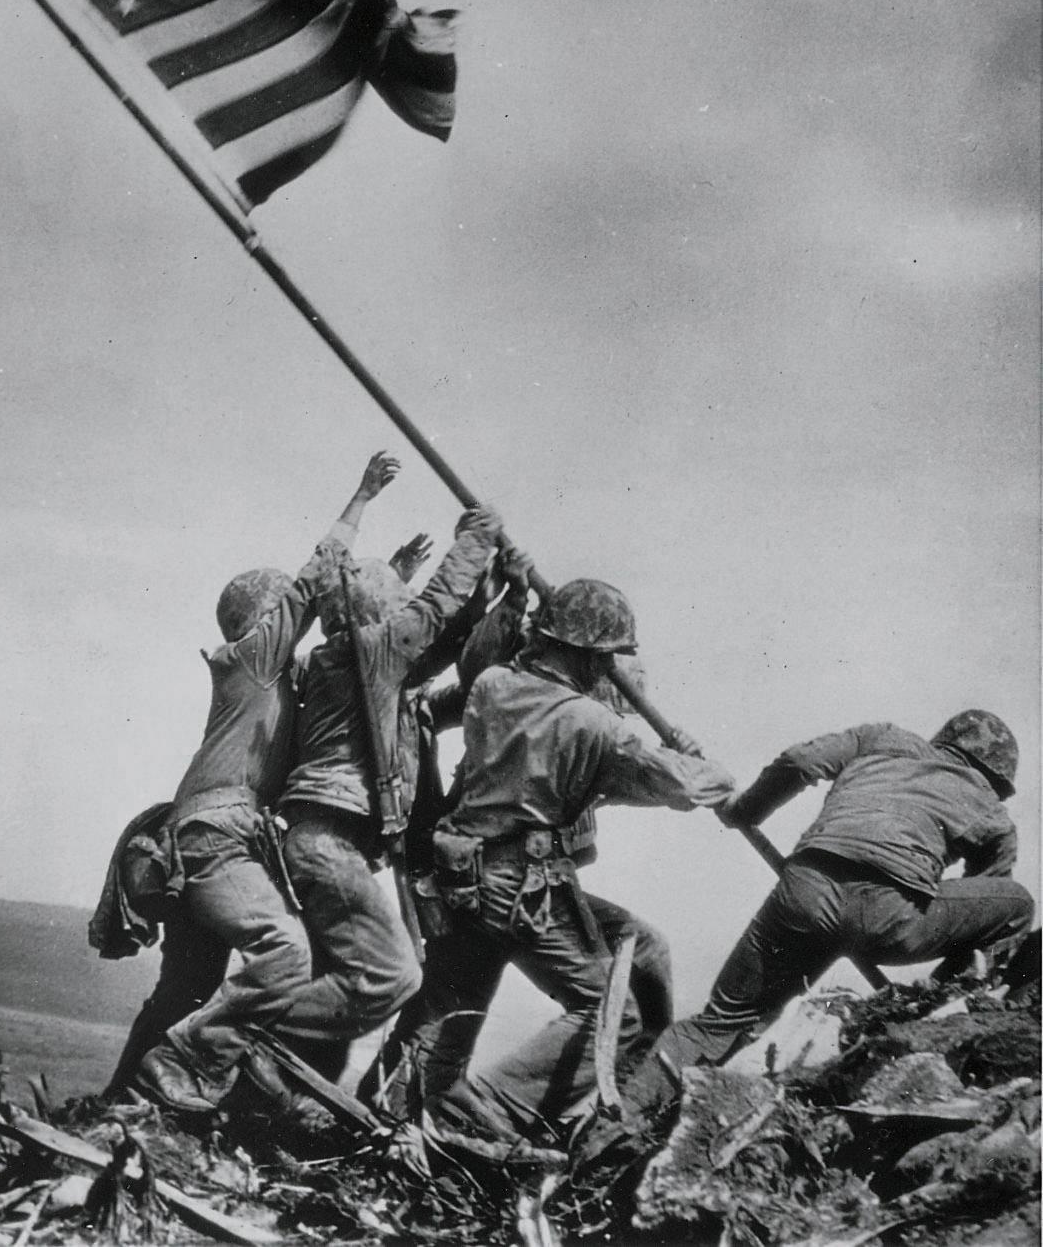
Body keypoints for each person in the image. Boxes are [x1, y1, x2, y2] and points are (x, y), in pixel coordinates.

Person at [581, 708, 1036, 1162]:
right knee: (1017, 904)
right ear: (996, 777)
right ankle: (940, 1009)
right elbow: (984, 902)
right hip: (890, 919)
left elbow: (799, 762)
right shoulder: (992, 812)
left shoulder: (882, 737)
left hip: (804, 894)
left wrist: (744, 810)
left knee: (718, 1022)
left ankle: (615, 1124)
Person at [111, 452, 402, 1111]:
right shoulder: (252, 659)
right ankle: (188, 1077)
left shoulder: (274, 679)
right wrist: (361, 498)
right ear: (262, 619)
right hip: (216, 839)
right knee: (286, 953)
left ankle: (122, 1103)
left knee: (187, 987)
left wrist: (392, 580)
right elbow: (315, 582)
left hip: (205, 841)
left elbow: (352, 636)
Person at [426, 578, 736, 1143]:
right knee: (613, 1013)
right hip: (521, 885)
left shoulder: (493, 685)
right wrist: (700, 763)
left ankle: (633, 1089)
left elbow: (578, 774)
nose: (607, 670)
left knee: (643, 948)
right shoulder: (592, 722)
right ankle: (495, 1109)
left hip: (465, 872)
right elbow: (688, 786)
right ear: (588, 655)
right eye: (605, 658)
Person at [209, 503, 503, 1087]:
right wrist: (475, 539)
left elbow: (436, 643)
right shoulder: (367, 653)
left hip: (325, 843)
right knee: (391, 976)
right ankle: (227, 1035)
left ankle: (259, 1086)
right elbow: (432, 612)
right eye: (395, 605)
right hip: (327, 843)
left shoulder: (348, 661)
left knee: (350, 985)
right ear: (379, 616)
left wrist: (483, 605)